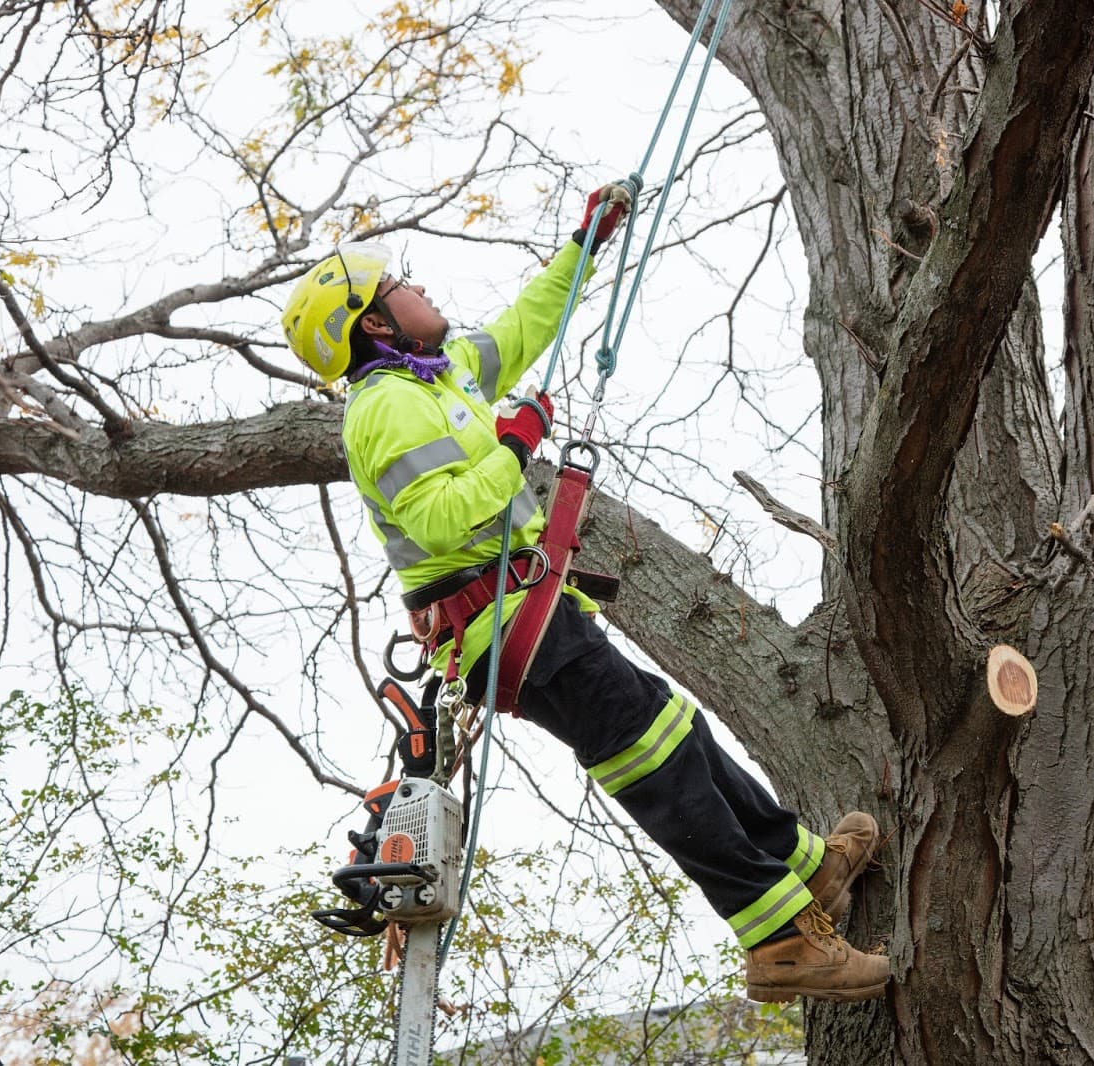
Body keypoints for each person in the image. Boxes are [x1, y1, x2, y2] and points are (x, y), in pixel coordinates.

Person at [281, 184, 890, 1002]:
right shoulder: (385, 408)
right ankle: (778, 938)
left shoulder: (442, 376)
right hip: (494, 622)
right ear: (376, 325)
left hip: (525, 608)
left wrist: (585, 243)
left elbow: (527, 324)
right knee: (650, 759)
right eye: (401, 286)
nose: (420, 289)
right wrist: (513, 448)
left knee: (672, 728)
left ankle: (799, 866)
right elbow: (437, 518)